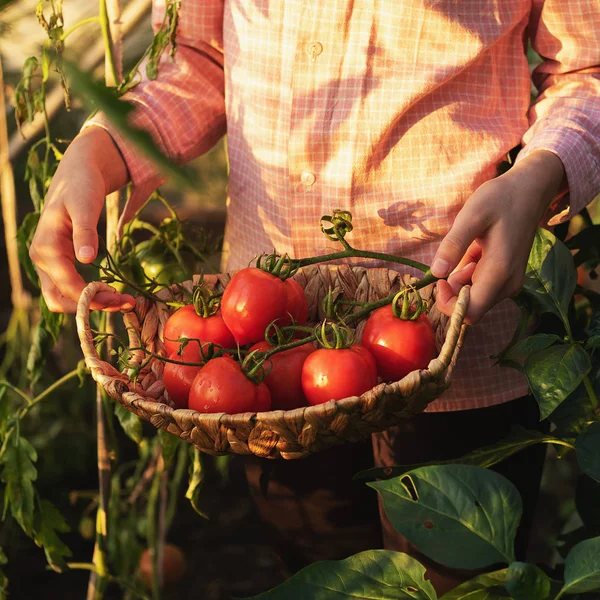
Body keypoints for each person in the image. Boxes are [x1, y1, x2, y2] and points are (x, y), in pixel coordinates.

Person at [29, 0, 600, 594]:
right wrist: (98, 149)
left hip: (461, 323)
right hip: (262, 358)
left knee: (460, 583)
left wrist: (539, 176)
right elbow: (198, 58)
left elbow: (588, 69)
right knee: (311, 570)